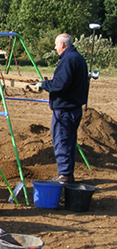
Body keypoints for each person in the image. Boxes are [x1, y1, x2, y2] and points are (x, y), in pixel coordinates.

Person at [36, 33, 89, 184]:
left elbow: (60, 84)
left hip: (65, 110)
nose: (55, 47)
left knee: (62, 141)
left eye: (56, 45)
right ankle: (68, 174)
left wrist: (43, 84)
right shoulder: (78, 58)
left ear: (62, 45)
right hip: (74, 108)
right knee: (70, 141)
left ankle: (64, 176)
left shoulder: (68, 60)